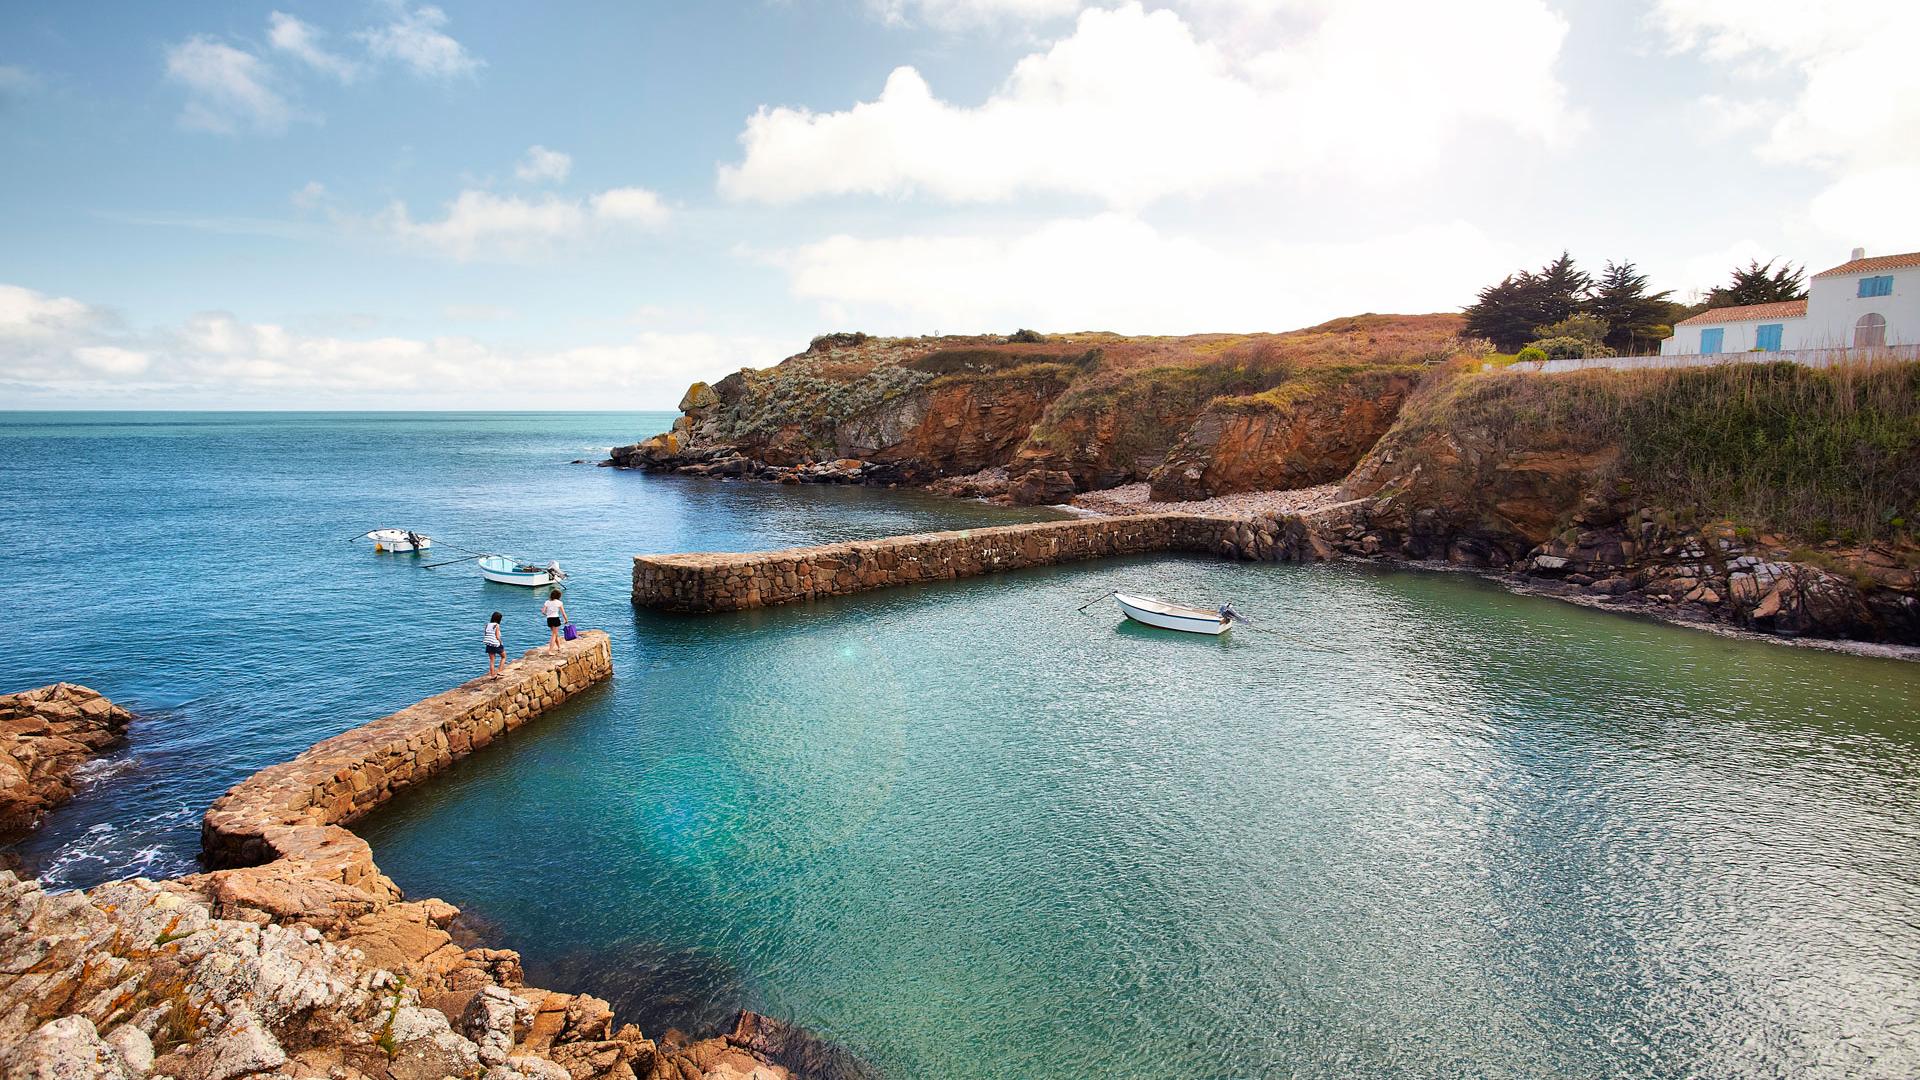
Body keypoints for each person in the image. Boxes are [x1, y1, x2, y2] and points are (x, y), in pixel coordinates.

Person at [483, 611, 505, 679]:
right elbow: (497, 636)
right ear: (499, 619)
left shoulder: (487, 625)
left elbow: (486, 634)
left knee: (492, 661)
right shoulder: (497, 625)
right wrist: (501, 643)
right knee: (503, 657)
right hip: (496, 644)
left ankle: (492, 675)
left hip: (489, 644)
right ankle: (500, 671)